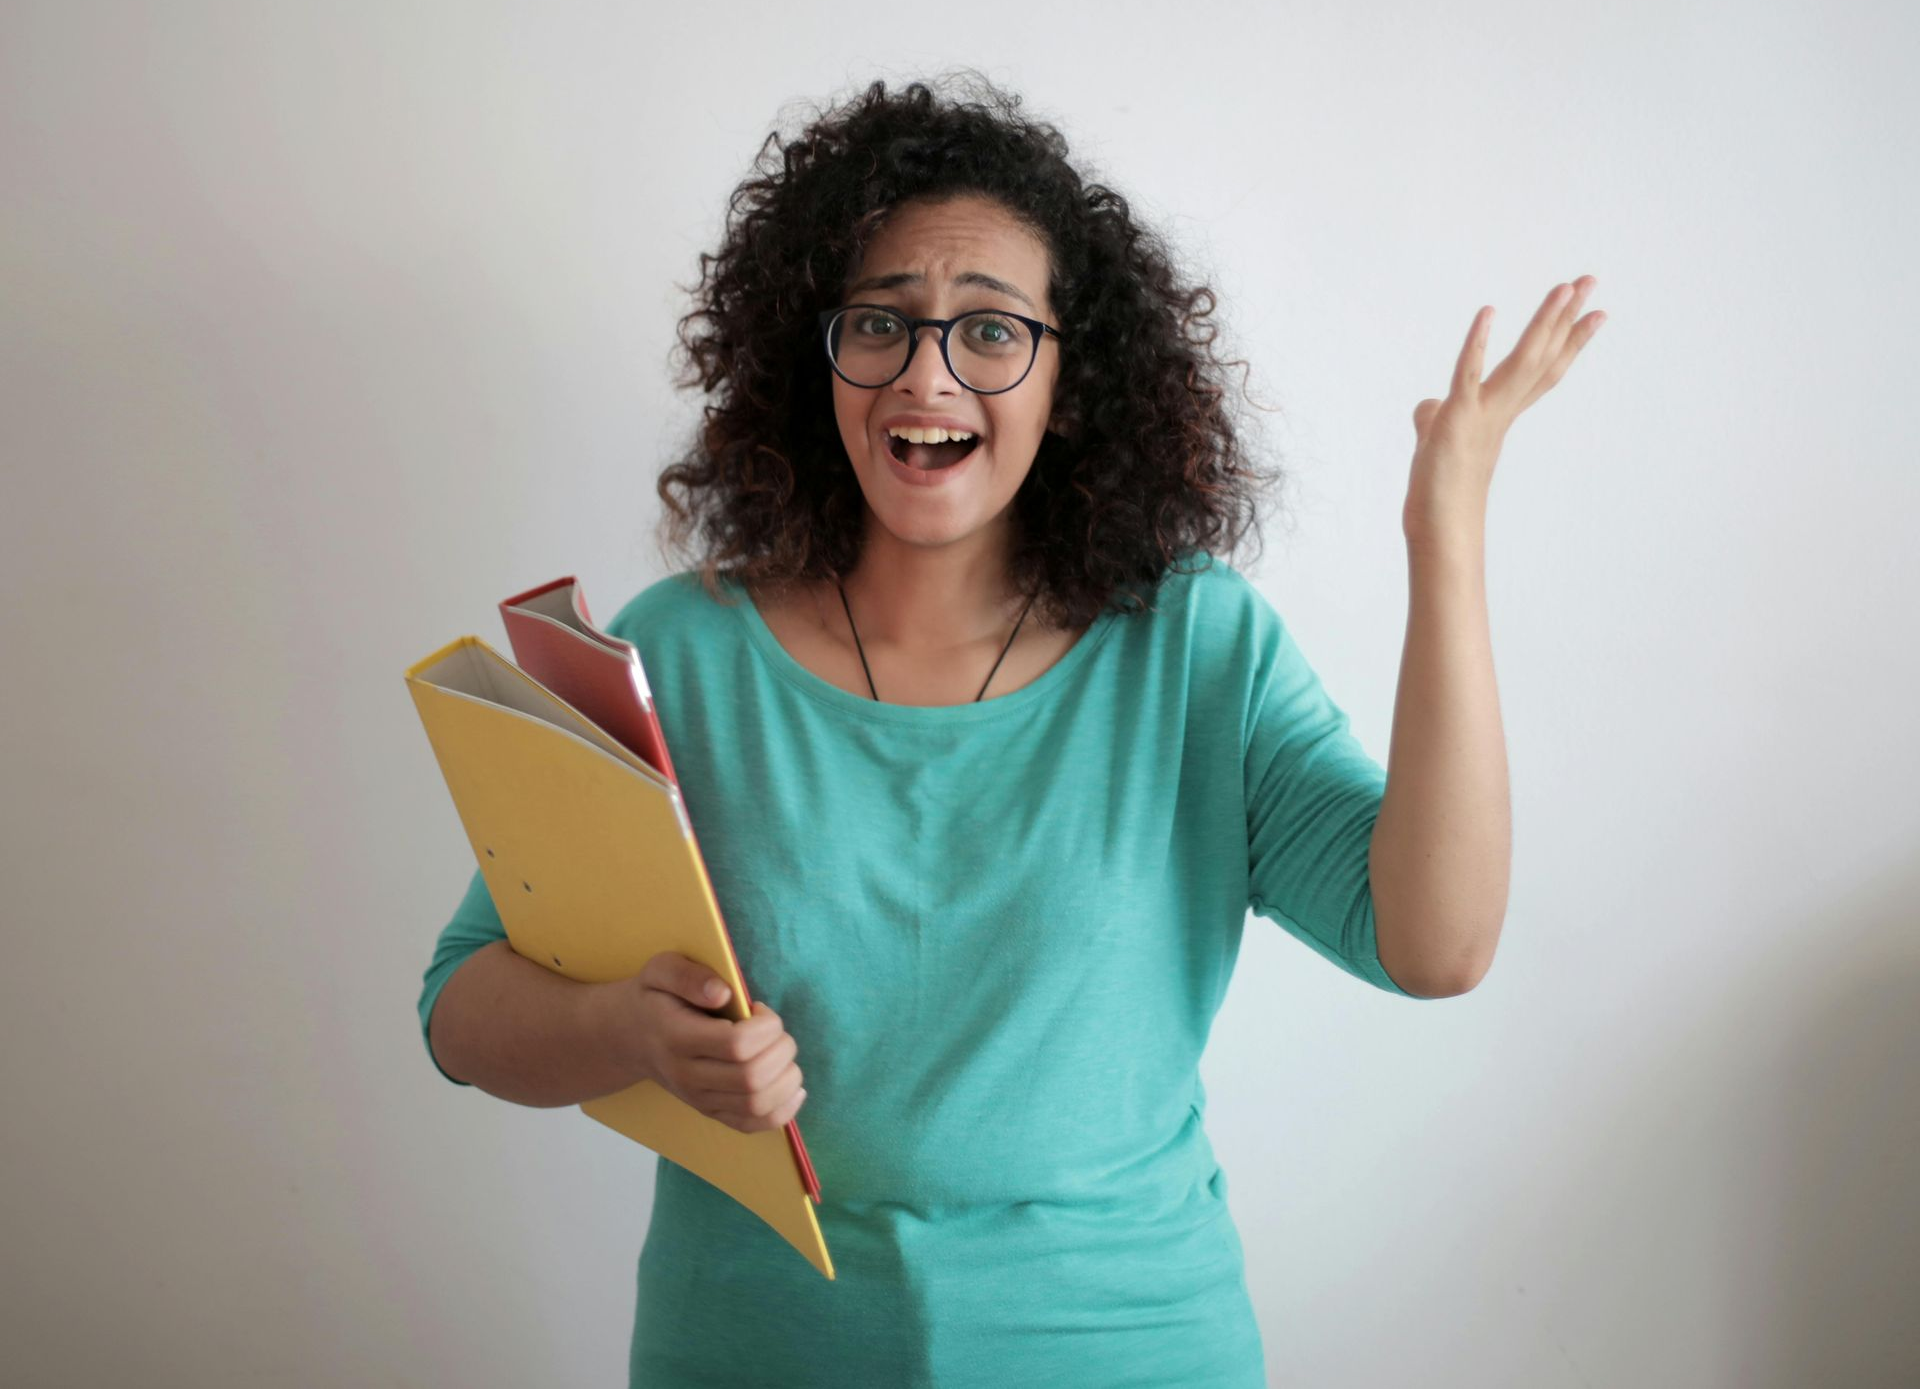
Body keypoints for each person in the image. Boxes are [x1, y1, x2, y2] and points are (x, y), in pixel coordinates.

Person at [416, 71, 1601, 1388]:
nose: (927, 374)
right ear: (816, 358)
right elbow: (461, 1008)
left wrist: (1446, 534)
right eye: (881, 323)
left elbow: (1434, 944)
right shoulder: (680, 654)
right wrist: (632, 1036)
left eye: (991, 329)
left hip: (1128, 1351)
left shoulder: (1193, 648)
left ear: (1068, 377)